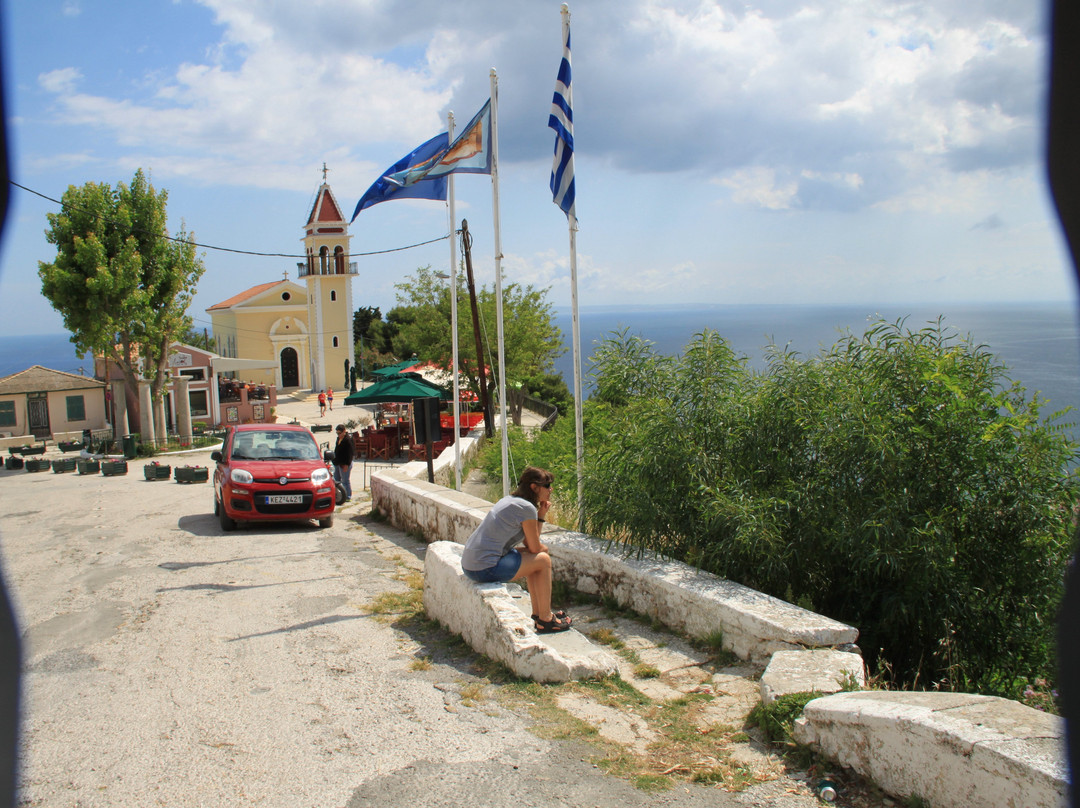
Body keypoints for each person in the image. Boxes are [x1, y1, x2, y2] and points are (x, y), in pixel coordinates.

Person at [460, 466, 571, 633]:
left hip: (471, 564)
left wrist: (540, 515)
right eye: (547, 486)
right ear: (534, 487)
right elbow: (535, 546)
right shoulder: (525, 508)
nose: (551, 489)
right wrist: (544, 549)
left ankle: (539, 614)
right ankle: (546, 619)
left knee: (536, 558)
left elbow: (529, 544)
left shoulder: (510, 500)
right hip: (483, 569)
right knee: (543, 560)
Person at [333, 424, 353, 500]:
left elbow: (350, 454)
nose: (338, 435)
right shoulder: (338, 439)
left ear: (344, 431)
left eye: (340, 433)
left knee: (345, 481)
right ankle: (339, 495)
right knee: (337, 480)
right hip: (338, 462)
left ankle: (348, 496)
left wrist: (347, 464)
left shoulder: (348, 440)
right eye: (337, 433)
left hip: (345, 463)